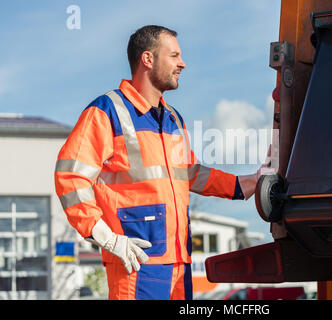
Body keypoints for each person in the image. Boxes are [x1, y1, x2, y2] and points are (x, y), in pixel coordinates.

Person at [54, 25, 264, 300]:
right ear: (148, 59)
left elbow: (190, 174)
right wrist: (105, 236)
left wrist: (249, 183)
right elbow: (70, 176)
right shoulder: (107, 111)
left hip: (180, 262)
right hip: (136, 261)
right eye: (174, 55)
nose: (183, 63)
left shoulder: (174, 118)